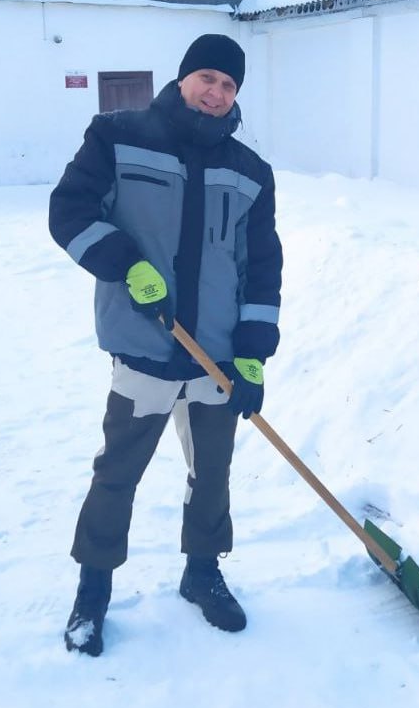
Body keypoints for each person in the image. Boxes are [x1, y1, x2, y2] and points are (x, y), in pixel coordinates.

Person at [48, 34, 282, 657]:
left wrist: (255, 348)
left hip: (217, 357)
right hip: (145, 344)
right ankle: (93, 589)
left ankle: (201, 572)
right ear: (183, 79)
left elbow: (261, 265)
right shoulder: (118, 136)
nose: (217, 92)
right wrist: (123, 263)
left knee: (213, 474)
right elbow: (69, 211)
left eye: (230, 85)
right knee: (118, 472)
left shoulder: (251, 173)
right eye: (208, 77)